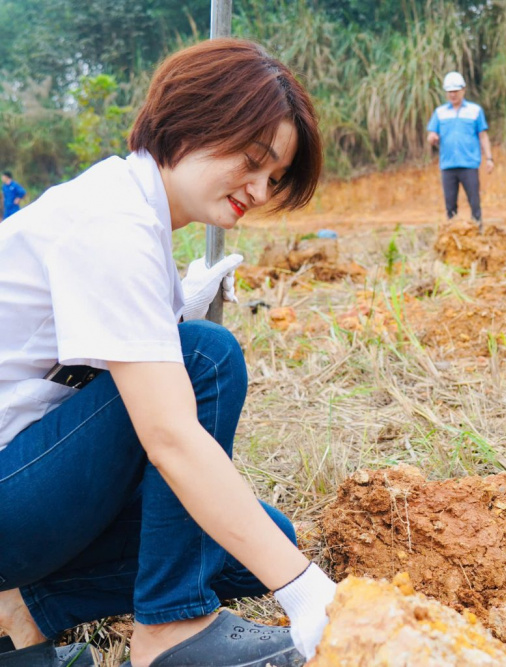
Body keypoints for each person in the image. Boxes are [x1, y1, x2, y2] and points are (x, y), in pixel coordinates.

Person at [0, 39, 338, 667]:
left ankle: (20, 610)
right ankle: (171, 630)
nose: (260, 190)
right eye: (253, 160)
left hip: (21, 481)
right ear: (193, 119)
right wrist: (306, 590)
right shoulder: (110, 222)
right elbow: (170, 436)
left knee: (259, 545)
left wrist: (173, 308)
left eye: (274, 178)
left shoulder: (136, 221)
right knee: (206, 357)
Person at [426, 71, 494, 231]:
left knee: (474, 203)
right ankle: (452, 236)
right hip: (448, 165)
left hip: (469, 164)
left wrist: (489, 158)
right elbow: (431, 134)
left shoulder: (475, 111)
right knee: (450, 206)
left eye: (456, 91)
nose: (453, 94)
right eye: (450, 91)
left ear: (463, 90)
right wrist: (432, 137)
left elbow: (483, 136)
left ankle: (478, 233)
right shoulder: (440, 113)